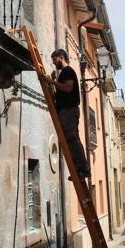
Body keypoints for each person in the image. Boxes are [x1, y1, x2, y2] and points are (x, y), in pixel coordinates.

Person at [45, 49, 90, 180]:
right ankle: (79, 170)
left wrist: (51, 82)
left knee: (72, 138)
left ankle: (83, 169)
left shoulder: (68, 71)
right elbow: (60, 93)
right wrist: (52, 82)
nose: (53, 62)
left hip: (69, 110)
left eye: (54, 59)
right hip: (66, 110)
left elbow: (68, 87)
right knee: (70, 139)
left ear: (61, 57)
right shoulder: (63, 73)